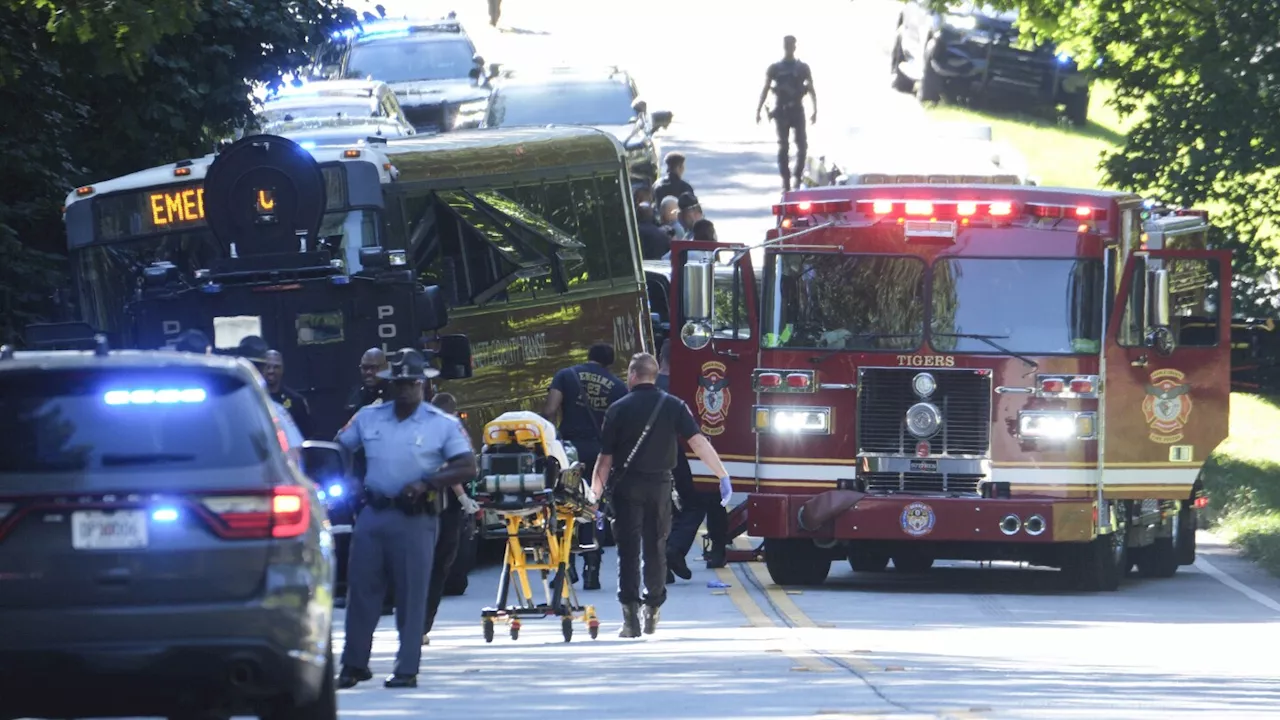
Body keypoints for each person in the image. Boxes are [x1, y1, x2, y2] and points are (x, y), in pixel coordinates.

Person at [335, 349, 476, 690]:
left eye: (411, 382)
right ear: (388, 383)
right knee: (361, 591)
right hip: (373, 512)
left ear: (424, 383)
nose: (404, 389)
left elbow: (467, 465)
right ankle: (354, 665)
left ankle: (406, 668)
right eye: (397, 382)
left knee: (412, 594)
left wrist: (429, 482)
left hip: (416, 517)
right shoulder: (368, 418)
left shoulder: (441, 423)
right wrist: (349, 483)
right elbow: (340, 447)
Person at [591, 352, 732, 638]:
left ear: (632, 375)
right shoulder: (673, 405)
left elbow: (605, 459)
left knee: (628, 551)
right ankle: (652, 612)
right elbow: (698, 442)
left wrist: (594, 496)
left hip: (627, 487)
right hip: (660, 486)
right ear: (654, 375)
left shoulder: (617, 409)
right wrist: (722, 474)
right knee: (655, 548)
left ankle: (630, 619)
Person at [541, 343, 627, 590]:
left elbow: (549, 410)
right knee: (593, 507)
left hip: (570, 452)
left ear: (588, 357)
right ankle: (592, 570)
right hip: (600, 453)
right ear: (609, 362)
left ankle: (566, 565)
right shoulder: (619, 387)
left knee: (563, 505)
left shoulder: (566, 375)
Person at [422, 392, 481, 646]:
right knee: (441, 563)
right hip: (443, 504)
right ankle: (422, 625)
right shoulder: (451, 429)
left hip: (419, 501)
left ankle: (418, 624)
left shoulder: (418, 427)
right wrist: (463, 498)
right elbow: (454, 467)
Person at [756, 35, 818, 192]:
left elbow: (811, 88)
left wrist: (815, 109)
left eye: (791, 45)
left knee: (802, 146)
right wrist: (759, 109)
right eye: (787, 44)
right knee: (783, 147)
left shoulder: (802, 68)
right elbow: (765, 88)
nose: (789, 47)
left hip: (797, 109)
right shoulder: (775, 68)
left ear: (795, 47)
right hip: (782, 111)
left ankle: (797, 176)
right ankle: (786, 180)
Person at [260, 349, 314, 439]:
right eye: (267, 367)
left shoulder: (296, 401)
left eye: (276, 367)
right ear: (261, 369)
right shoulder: (254, 399)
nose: (271, 371)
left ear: (282, 369)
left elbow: (306, 435)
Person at [346, 348, 391, 415]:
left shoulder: (395, 392)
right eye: (365, 367)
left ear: (385, 367)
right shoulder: (356, 393)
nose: (368, 372)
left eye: (373, 367)